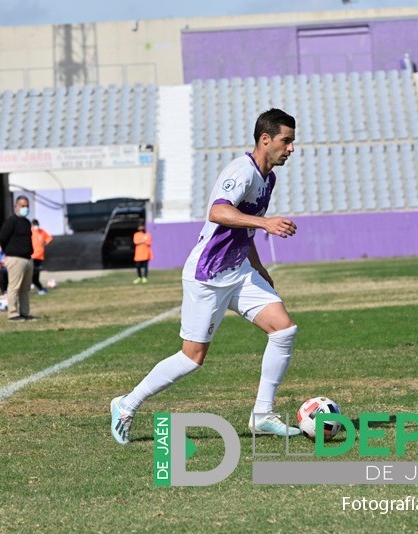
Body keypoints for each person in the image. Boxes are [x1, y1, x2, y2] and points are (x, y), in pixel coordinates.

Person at [110, 109, 301, 445]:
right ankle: (126, 404)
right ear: (265, 139)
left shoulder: (268, 178)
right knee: (192, 357)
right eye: (286, 140)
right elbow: (219, 211)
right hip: (208, 275)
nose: (291, 148)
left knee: (284, 330)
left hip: (239, 271)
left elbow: (243, 225)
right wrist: (267, 223)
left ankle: (262, 414)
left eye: (293, 141)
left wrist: (257, 266)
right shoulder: (241, 171)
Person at [0, 196, 35, 321]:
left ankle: (25, 313)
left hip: (27, 258)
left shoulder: (26, 222)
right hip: (15, 258)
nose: (25, 208)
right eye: (22, 205)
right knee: (14, 287)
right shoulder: (11, 221)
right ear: (16, 206)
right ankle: (13, 313)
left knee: (25, 289)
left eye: (27, 206)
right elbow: (2, 238)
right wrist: (8, 252)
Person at [30, 219, 52, 295]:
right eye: (34, 225)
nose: (36, 227)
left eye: (37, 225)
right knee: (32, 272)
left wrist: (45, 243)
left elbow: (49, 238)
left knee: (36, 273)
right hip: (32, 255)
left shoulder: (42, 231)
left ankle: (37, 286)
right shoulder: (30, 232)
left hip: (40, 256)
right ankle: (38, 286)